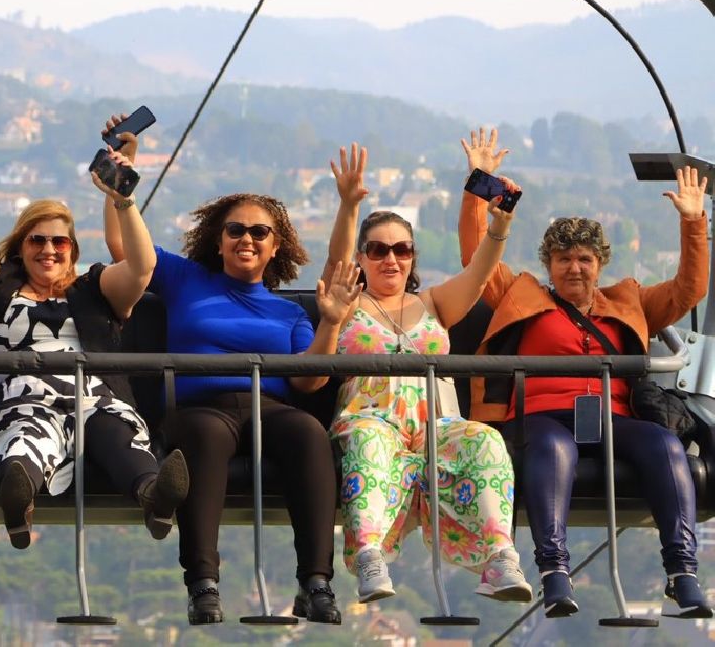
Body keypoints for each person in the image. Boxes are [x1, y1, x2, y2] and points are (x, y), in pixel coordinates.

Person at [459, 128, 712, 618]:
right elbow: (477, 261)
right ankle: (554, 570)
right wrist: (481, 186)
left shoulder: (629, 302)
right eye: (563, 259)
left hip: (612, 416)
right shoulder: (522, 295)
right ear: (548, 265)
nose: (574, 269)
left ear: (600, 265)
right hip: (542, 416)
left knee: (663, 445)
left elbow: (687, 292)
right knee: (554, 448)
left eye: (585, 259)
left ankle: (682, 570)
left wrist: (693, 222)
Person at [101, 122, 343, 626]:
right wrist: (120, 189)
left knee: (309, 433)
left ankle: (316, 582)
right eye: (236, 230)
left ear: (276, 246)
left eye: (260, 232)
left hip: (272, 409)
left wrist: (332, 322)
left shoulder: (289, 315)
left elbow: (309, 381)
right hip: (201, 407)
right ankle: (203, 583)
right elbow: (128, 251)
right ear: (219, 239)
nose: (247, 239)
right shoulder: (187, 279)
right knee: (205, 439)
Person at [298, 141, 532, 605]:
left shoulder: (433, 305)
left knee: (484, 440)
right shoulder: (348, 303)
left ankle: (499, 555)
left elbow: (480, 275)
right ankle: (368, 553)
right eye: (378, 250)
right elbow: (336, 262)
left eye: (401, 249)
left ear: (413, 257)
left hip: (435, 424)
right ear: (363, 258)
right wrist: (348, 206)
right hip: (371, 416)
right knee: (371, 443)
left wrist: (498, 225)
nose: (391, 259)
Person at [0, 121, 188, 553]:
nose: (48, 249)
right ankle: (18, 493)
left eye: (59, 242)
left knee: (113, 431)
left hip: (92, 397)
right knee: (28, 433)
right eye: (36, 241)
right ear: (20, 248)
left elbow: (141, 266)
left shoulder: (94, 290)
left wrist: (123, 199)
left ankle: (154, 494)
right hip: (21, 398)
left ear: (73, 251)